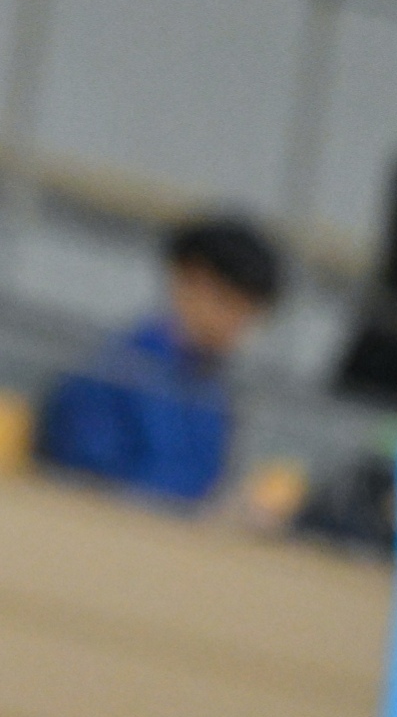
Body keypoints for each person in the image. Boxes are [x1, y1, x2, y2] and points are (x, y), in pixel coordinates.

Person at [35, 214, 284, 505]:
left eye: (248, 316)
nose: (236, 327)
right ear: (191, 280)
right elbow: (85, 483)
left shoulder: (215, 394)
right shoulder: (108, 374)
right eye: (228, 304)